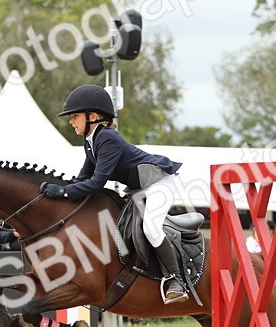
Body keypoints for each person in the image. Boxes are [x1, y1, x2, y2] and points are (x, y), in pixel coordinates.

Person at [48, 84, 189, 303]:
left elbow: (96, 183)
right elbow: (82, 178)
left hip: (159, 184)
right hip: (139, 189)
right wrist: (56, 191)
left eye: (75, 116)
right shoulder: (91, 141)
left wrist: (63, 192)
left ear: (92, 117)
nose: (71, 121)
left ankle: (177, 280)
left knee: (151, 228)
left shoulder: (107, 138)